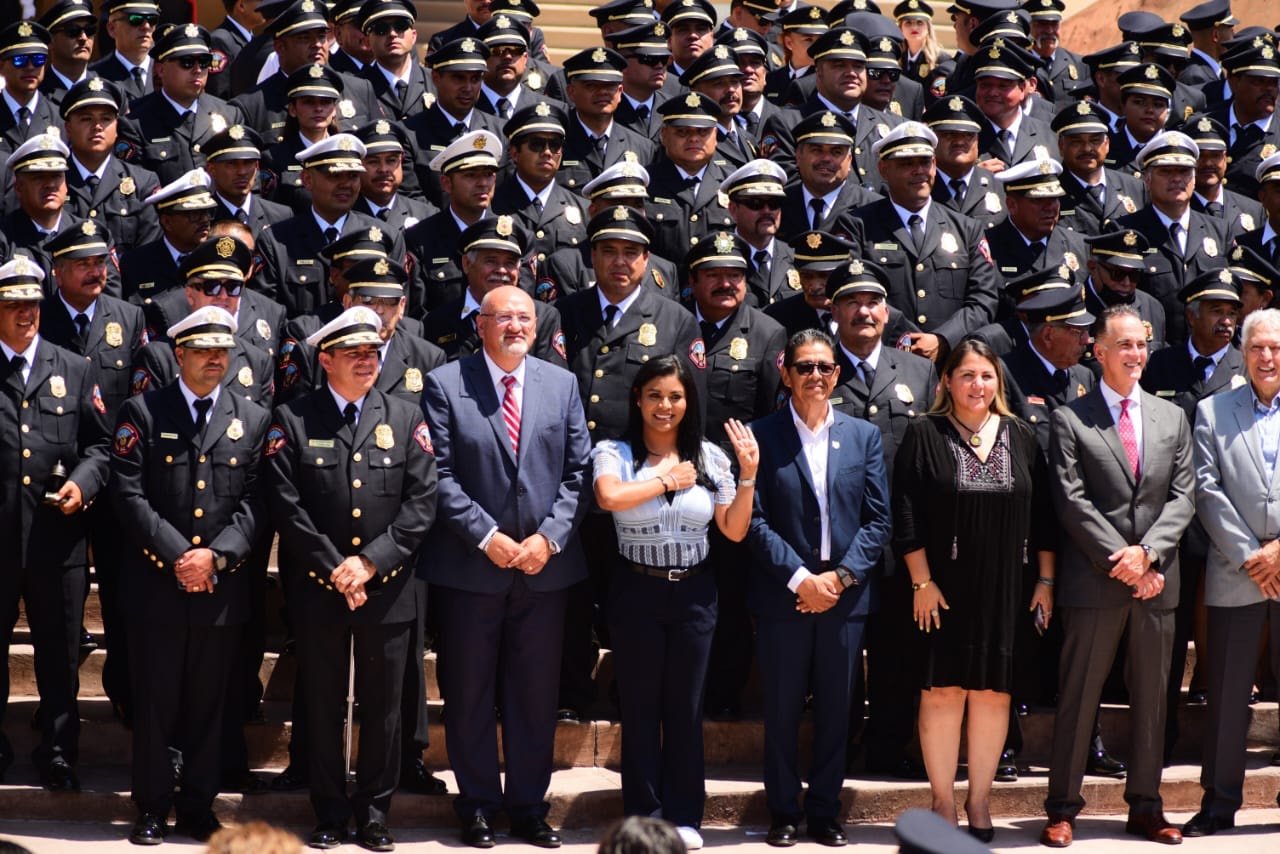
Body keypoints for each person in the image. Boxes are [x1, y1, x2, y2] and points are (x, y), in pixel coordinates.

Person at [422, 285, 589, 850]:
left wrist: (550, 538)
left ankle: (527, 807)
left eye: (524, 317)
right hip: (472, 570)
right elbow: (438, 476)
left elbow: (577, 474)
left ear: (536, 328)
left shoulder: (561, 384)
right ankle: (476, 806)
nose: (515, 326)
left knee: (534, 694)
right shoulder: (446, 383)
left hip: (544, 572)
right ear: (481, 325)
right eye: (503, 318)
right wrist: (486, 536)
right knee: (468, 692)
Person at [266, 305, 437, 851]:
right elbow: (287, 508)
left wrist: (370, 563)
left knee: (385, 705)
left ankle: (375, 812)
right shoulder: (294, 419)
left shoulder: (406, 417)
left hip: (388, 590)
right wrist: (334, 568)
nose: (367, 361)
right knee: (320, 700)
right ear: (326, 358)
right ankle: (329, 810)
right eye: (354, 353)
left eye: (373, 352)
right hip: (320, 589)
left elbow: (421, 503)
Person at [111, 304, 269, 845]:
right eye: (202, 350)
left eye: (222, 351)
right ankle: (153, 806)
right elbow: (128, 495)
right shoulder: (143, 411)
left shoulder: (252, 418)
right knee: (156, 702)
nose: (213, 360)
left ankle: (198, 805)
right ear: (179, 354)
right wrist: (180, 555)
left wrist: (216, 558)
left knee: (209, 702)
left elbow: (255, 503)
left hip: (221, 589)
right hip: (158, 585)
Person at [1041, 305, 1195, 848]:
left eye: (1141, 345)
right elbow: (1072, 501)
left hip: (1157, 582)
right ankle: (1062, 808)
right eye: (1123, 345)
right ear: (1098, 351)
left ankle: (1147, 808)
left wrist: (1148, 555)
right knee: (1079, 696)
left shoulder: (1171, 417)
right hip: (1096, 581)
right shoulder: (1070, 418)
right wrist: (1125, 561)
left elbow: (1183, 497)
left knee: (1153, 699)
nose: (1135, 355)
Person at [893, 337, 1054, 841]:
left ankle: (979, 801)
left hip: (1007, 587)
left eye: (986, 375)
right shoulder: (924, 433)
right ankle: (943, 802)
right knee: (942, 693)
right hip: (939, 589)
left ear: (998, 382)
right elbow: (906, 512)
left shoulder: (1023, 436)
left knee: (991, 695)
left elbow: (1045, 516)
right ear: (946, 381)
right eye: (966, 375)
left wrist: (1046, 581)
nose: (976, 385)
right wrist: (921, 580)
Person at [594, 355, 757, 849]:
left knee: (685, 709)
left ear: (689, 402)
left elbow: (733, 529)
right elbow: (608, 498)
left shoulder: (710, 457)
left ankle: (685, 817)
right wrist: (666, 480)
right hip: (636, 590)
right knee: (641, 709)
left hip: (694, 591)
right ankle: (644, 820)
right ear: (638, 400)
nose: (665, 406)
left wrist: (747, 475)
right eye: (655, 396)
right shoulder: (615, 451)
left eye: (676, 397)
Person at [749, 324, 891, 848]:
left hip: (844, 594)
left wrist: (841, 576)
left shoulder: (863, 435)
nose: (815, 375)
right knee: (783, 708)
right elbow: (754, 521)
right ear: (785, 373)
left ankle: (826, 810)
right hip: (784, 592)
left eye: (824, 367)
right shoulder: (761, 435)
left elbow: (878, 520)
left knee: (838, 709)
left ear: (837, 374)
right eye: (804, 366)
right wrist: (800, 578)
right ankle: (784, 811)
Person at [0, 256, 111, 790]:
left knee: (61, 653)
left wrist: (83, 484)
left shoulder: (74, 367)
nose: (26, 314)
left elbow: (100, 446)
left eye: (33, 304)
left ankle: (61, 750)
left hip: (57, 541)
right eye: (14, 304)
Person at [1185, 305, 1280, 837]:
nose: (1267, 356)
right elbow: (1206, 488)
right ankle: (1219, 802)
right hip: (1235, 570)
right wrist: (1253, 555)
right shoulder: (1213, 411)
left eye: (1275, 348)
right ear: (1243, 355)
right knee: (1226, 697)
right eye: (1257, 348)